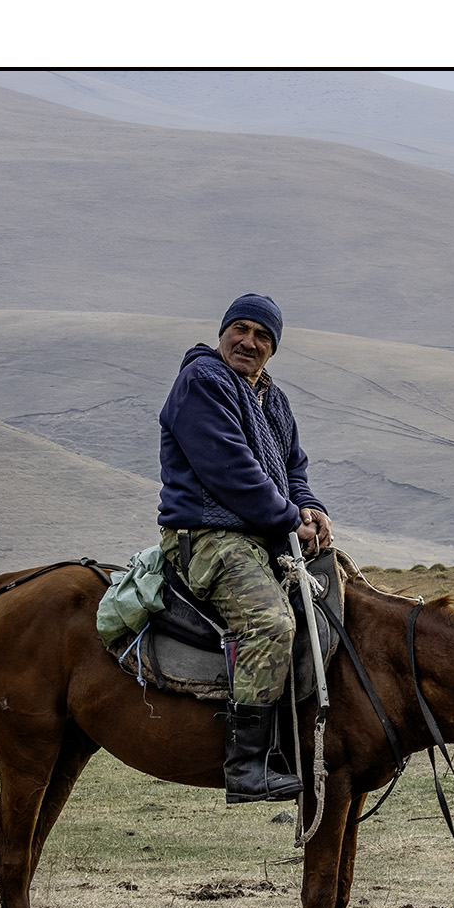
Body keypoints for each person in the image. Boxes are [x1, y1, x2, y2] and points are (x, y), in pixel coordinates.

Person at [158, 293, 335, 803]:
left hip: (265, 539)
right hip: (208, 539)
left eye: (262, 336)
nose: (249, 342)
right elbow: (231, 472)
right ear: (222, 332)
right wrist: (289, 519)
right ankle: (246, 766)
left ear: (272, 348)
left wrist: (309, 506)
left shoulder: (272, 399)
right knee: (271, 623)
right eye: (240, 329)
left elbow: (293, 468)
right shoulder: (202, 381)